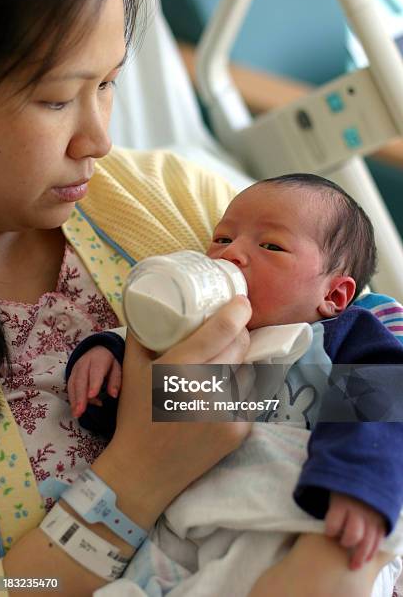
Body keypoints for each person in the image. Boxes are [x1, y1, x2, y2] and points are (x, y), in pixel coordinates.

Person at [0, 0, 397, 595]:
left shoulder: (165, 194)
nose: (100, 141)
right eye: (55, 99)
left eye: (107, 84)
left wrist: (341, 553)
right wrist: (140, 470)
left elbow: (376, 344)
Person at [66, 174, 403, 579]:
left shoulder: (339, 337)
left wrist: (358, 479)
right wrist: (107, 358)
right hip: (185, 537)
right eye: (223, 239)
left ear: (333, 296)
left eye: (271, 246)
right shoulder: (194, 330)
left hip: (301, 520)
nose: (232, 255)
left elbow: (382, 402)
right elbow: (153, 404)